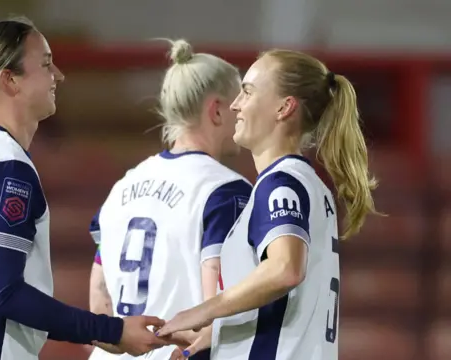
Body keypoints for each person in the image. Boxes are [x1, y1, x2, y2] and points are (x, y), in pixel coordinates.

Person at [0, 17, 168, 360]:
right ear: (9, 79)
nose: (58, 74)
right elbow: (6, 295)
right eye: (45, 64)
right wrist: (112, 330)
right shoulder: (4, 166)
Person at [156, 49, 380, 360]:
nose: (235, 104)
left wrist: (203, 311)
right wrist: (215, 336)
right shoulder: (306, 183)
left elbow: (285, 269)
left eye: (247, 92)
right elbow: (284, 305)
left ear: (284, 107)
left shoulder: (281, 183)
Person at [87, 39, 253, 360]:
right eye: (236, 104)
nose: (240, 113)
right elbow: (224, 308)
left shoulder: (122, 187)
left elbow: (99, 299)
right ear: (216, 110)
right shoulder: (226, 191)